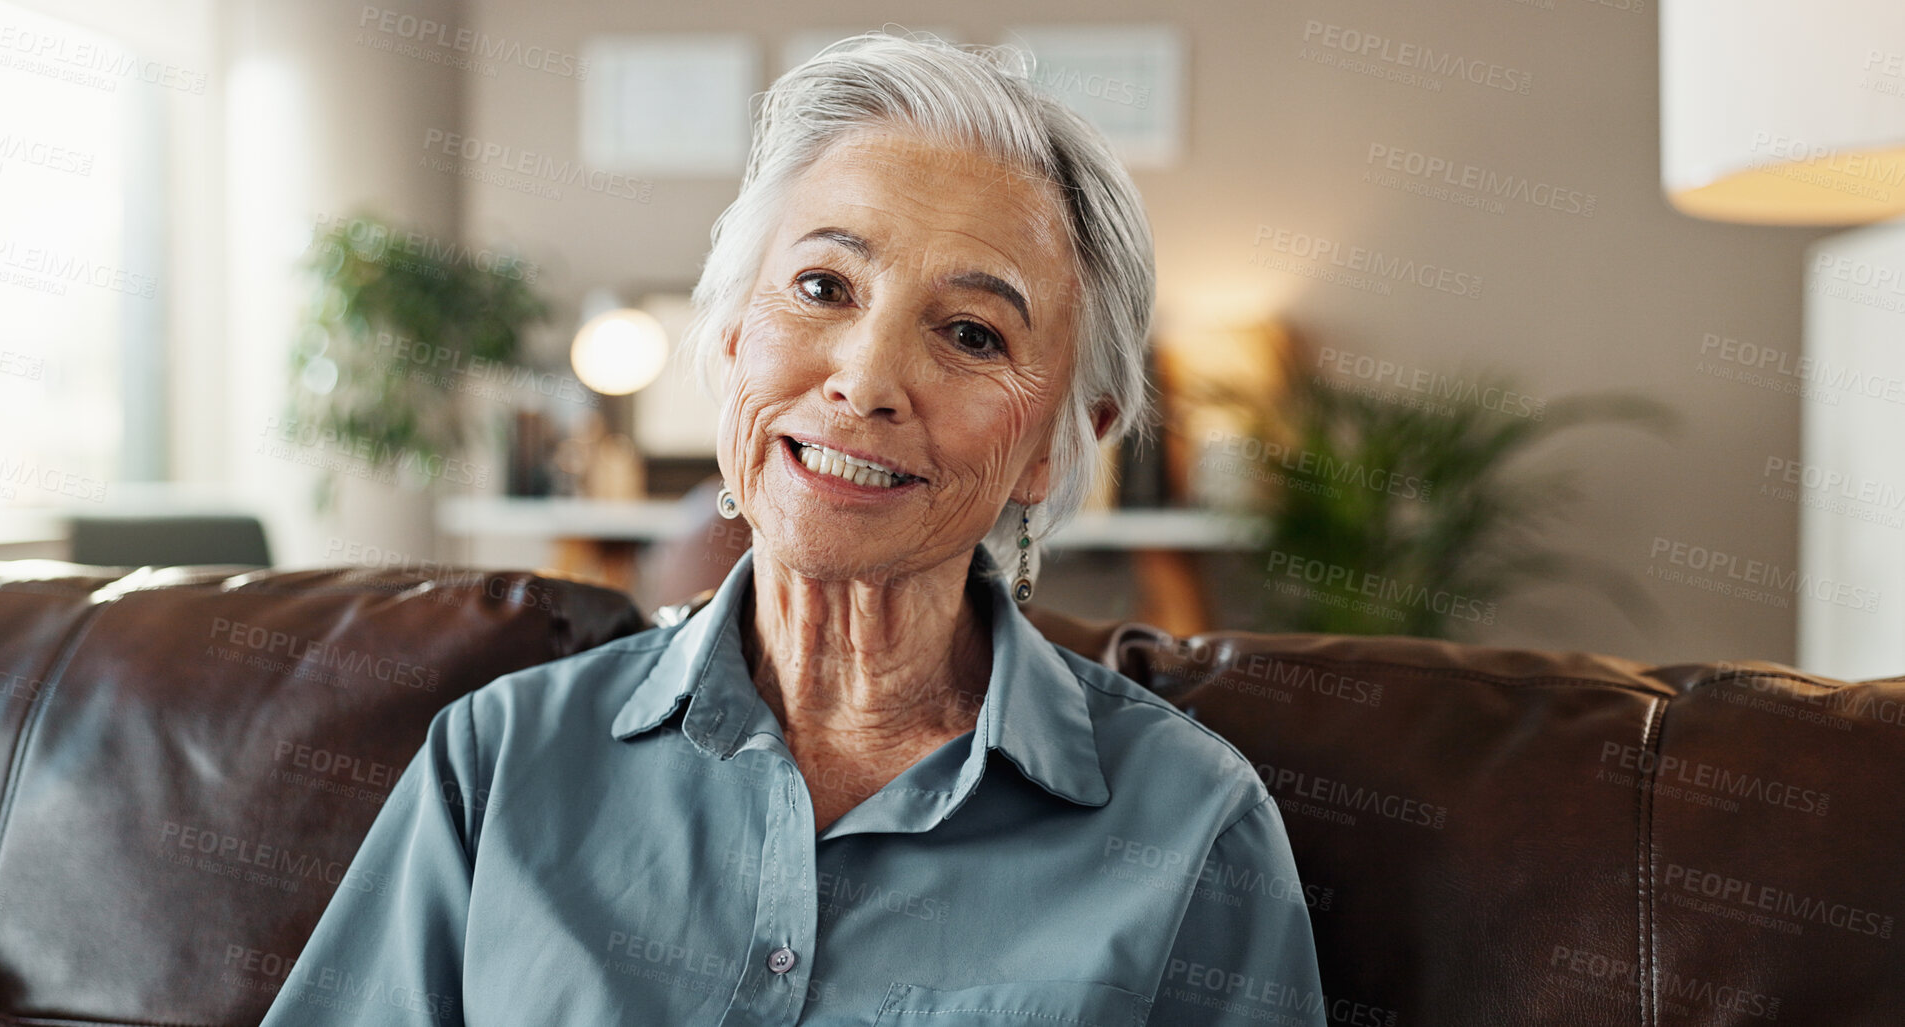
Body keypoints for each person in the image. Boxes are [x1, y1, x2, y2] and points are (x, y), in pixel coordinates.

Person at [260, 30, 1325, 1026]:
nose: (865, 380)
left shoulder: (1195, 826)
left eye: (969, 332)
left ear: (1059, 441)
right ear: (728, 345)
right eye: (822, 285)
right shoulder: (497, 761)